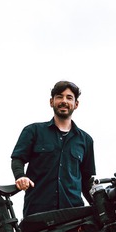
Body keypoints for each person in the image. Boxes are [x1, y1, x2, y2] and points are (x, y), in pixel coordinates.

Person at [10, 80, 97, 218]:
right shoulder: (33, 131)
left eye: (69, 98)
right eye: (59, 97)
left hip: (74, 214)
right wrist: (21, 176)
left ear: (76, 104)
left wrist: (98, 205)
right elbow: (17, 159)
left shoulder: (86, 140)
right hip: (38, 211)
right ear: (51, 102)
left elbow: (86, 180)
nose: (64, 101)